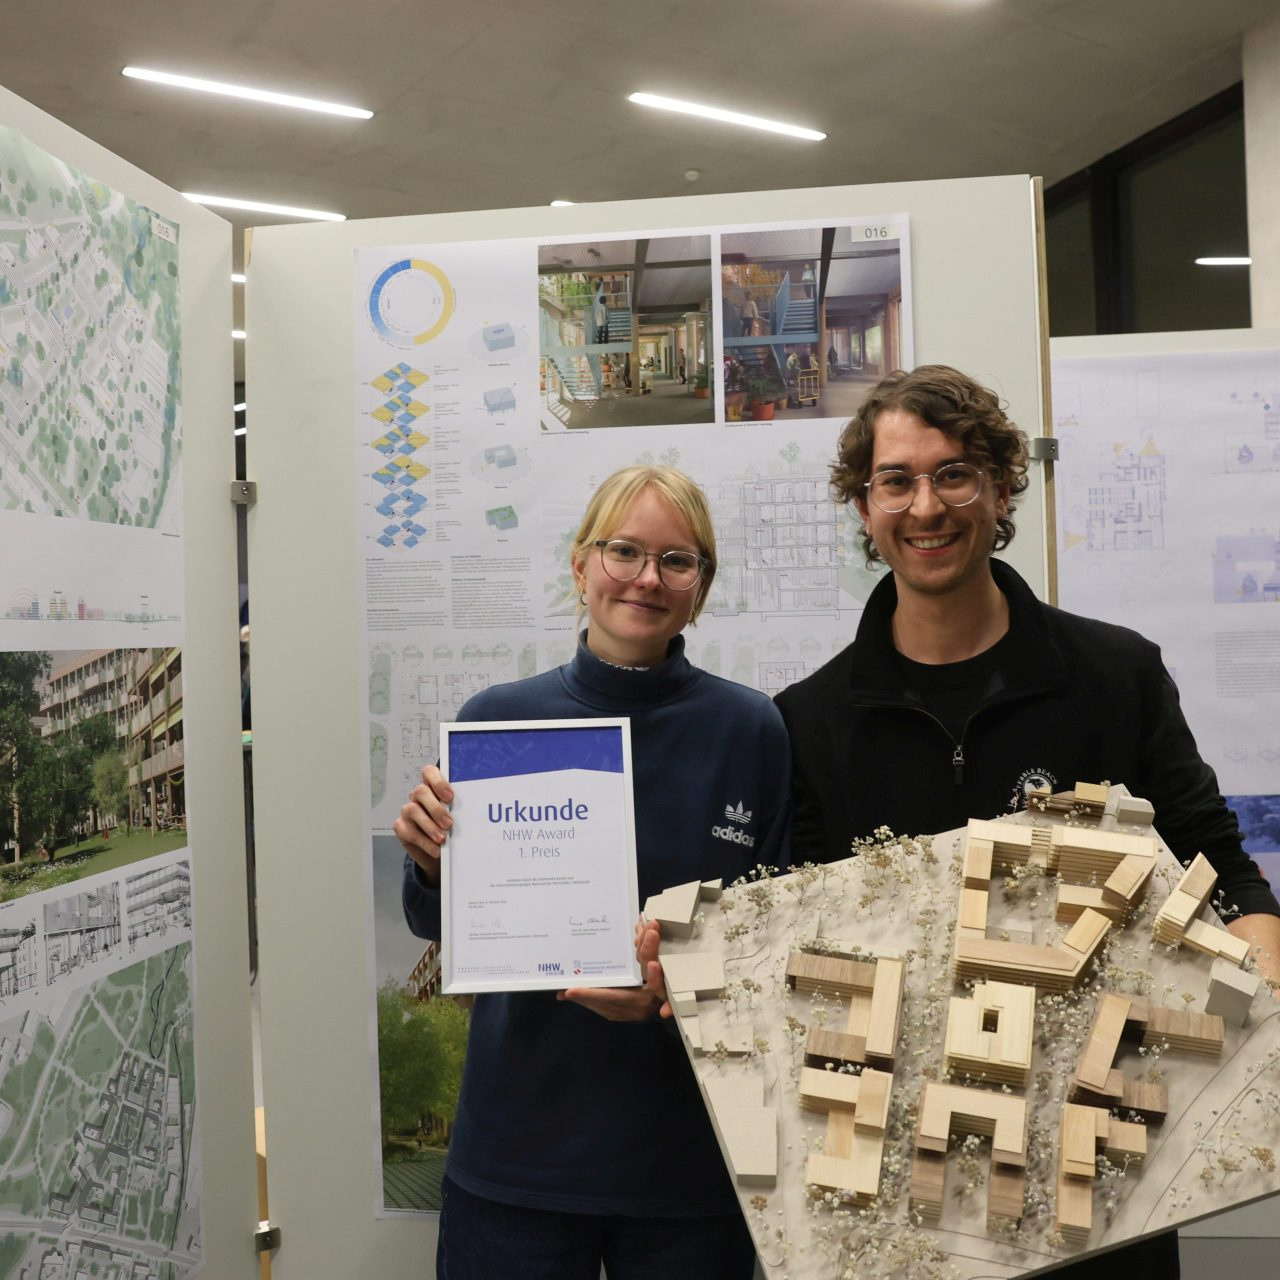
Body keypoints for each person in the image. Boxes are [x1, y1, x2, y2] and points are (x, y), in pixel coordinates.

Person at [774, 363, 1280, 1280]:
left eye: (954, 473)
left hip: (1105, 1171)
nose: (926, 506)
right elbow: (808, 960)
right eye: (896, 480)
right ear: (864, 508)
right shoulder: (808, 723)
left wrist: (1263, 978)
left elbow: (1224, 872)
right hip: (907, 1199)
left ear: (1002, 487)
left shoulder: (1115, 676)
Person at [397, 465, 790, 1280]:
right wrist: (433, 865)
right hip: (519, 1158)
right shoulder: (496, 722)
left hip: (689, 1161)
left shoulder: (750, 729)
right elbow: (433, 925)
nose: (647, 578)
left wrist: (668, 991)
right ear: (581, 567)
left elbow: (774, 943)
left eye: (677, 561)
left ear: (701, 587)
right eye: (624, 551)